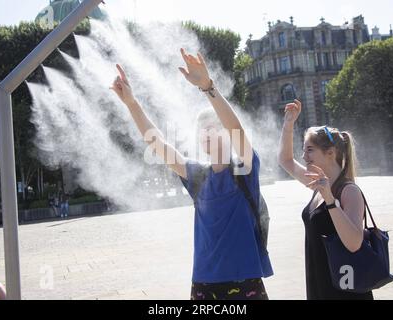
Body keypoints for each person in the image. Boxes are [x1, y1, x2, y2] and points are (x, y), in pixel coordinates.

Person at [110, 48, 273, 300]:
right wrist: (132, 103)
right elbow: (158, 143)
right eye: (201, 130)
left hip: (244, 281)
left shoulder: (244, 170)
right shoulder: (198, 175)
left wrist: (208, 87)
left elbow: (236, 127)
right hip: (203, 283)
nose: (205, 133)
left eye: (212, 128)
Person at [277, 99, 373, 300]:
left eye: (310, 150)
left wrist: (330, 200)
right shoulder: (318, 184)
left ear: (330, 153)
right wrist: (288, 124)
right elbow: (286, 161)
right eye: (303, 150)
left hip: (345, 291)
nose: (304, 156)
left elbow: (354, 243)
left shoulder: (349, 191)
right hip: (320, 284)